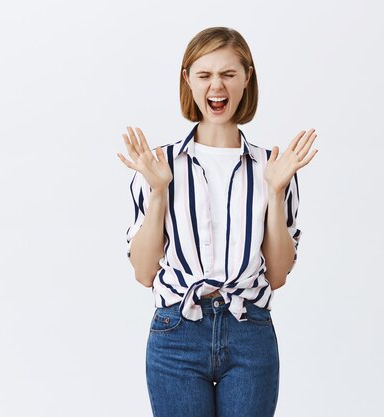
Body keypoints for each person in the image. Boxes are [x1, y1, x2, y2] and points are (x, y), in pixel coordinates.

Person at [116, 27, 318, 417]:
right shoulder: (158, 164)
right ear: (187, 79)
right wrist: (158, 191)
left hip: (250, 332)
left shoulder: (271, 168)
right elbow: (144, 272)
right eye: (204, 74)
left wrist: (275, 192)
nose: (216, 86)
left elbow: (276, 274)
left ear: (247, 77)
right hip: (177, 333)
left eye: (228, 74)